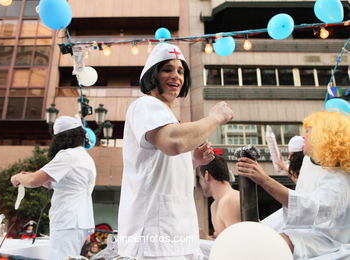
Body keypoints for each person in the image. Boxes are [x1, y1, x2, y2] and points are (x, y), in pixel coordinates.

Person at [117, 43, 233, 260]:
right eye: (167, 69)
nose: (176, 76)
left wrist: (192, 161)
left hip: (177, 233)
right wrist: (215, 117)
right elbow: (172, 142)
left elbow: (160, 167)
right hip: (153, 237)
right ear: (153, 74)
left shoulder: (167, 116)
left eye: (180, 71)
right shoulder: (145, 105)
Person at [237, 111, 350, 259]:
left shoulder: (340, 179)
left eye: (308, 131)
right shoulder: (308, 162)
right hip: (301, 231)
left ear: (324, 138)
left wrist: (264, 180)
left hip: (330, 242)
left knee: (275, 243)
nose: (303, 136)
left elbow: (310, 207)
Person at [11, 116, 97, 260]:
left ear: (60, 138)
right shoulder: (85, 157)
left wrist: (18, 178)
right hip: (79, 220)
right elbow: (53, 182)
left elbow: (33, 181)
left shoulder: (68, 155)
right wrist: (32, 175)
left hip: (68, 220)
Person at [198, 155, 240, 239]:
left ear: (206, 175)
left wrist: (205, 238)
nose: (200, 183)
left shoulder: (230, 200)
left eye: (200, 178)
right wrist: (206, 238)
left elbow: (239, 243)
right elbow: (224, 242)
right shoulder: (214, 205)